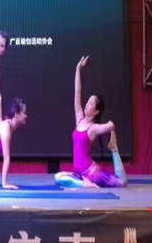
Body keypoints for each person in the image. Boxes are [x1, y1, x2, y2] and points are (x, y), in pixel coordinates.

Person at [54, 56, 127, 188]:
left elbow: (111, 125)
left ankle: (114, 150)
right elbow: (77, 92)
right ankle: (85, 184)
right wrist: (78, 69)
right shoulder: (79, 119)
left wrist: (111, 130)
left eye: (91, 104)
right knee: (58, 177)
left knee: (121, 183)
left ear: (96, 111)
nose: (87, 104)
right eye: (87, 102)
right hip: (79, 174)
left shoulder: (93, 128)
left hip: (91, 173)